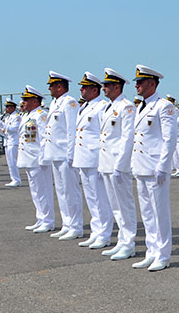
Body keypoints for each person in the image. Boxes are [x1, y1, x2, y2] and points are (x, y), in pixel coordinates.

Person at [130, 65, 177, 272]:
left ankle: (163, 254)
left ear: (152, 83)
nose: (137, 85)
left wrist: (163, 166)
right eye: (136, 82)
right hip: (141, 166)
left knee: (160, 213)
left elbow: (169, 139)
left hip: (155, 167)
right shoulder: (141, 106)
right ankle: (151, 251)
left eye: (140, 82)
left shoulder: (163, 106)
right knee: (147, 213)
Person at [98, 68, 138, 260]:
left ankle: (129, 243)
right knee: (115, 206)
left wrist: (120, 165)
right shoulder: (109, 106)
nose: (103, 88)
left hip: (117, 164)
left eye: (106, 85)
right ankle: (122, 240)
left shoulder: (126, 106)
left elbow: (127, 137)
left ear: (116, 86)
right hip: (106, 162)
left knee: (125, 205)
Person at [41, 71, 85, 240]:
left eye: (51, 85)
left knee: (71, 191)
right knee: (61, 191)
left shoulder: (69, 103)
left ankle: (76, 225)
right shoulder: (54, 104)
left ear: (60, 86)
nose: (49, 88)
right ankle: (67, 223)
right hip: (55, 154)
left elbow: (71, 130)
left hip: (65, 154)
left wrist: (71, 155)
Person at [72, 71, 114, 249]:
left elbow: (104, 134)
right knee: (90, 198)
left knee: (100, 199)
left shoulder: (102, 106)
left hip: (95, 158)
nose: (81, 90)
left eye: (85, 87)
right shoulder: (86, 107)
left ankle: (104, 234)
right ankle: (96, 232)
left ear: (94, 90)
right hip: (83, 157)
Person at [18, 85, 56, 233]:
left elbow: (44, 138)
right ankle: (40, 218)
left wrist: (43, 158)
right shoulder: (27, 115)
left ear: (35, 100)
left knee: (43, 190)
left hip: (38, 159)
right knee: (35, 191)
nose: (23, 102)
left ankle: (48, 220)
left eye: (26, 100)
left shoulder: (41, 115)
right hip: (28, 158)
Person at [1, 99, 23, 187]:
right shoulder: (8, 117)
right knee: (10, 162)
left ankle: (17, 179)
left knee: (13, 162)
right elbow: (5, 131)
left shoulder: (17, 117)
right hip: (7, 141)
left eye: (7, 107)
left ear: (13, 108)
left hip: (13, 142)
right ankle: (13, 178)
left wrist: (3, 125)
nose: (6, 109)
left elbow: (13, 129)